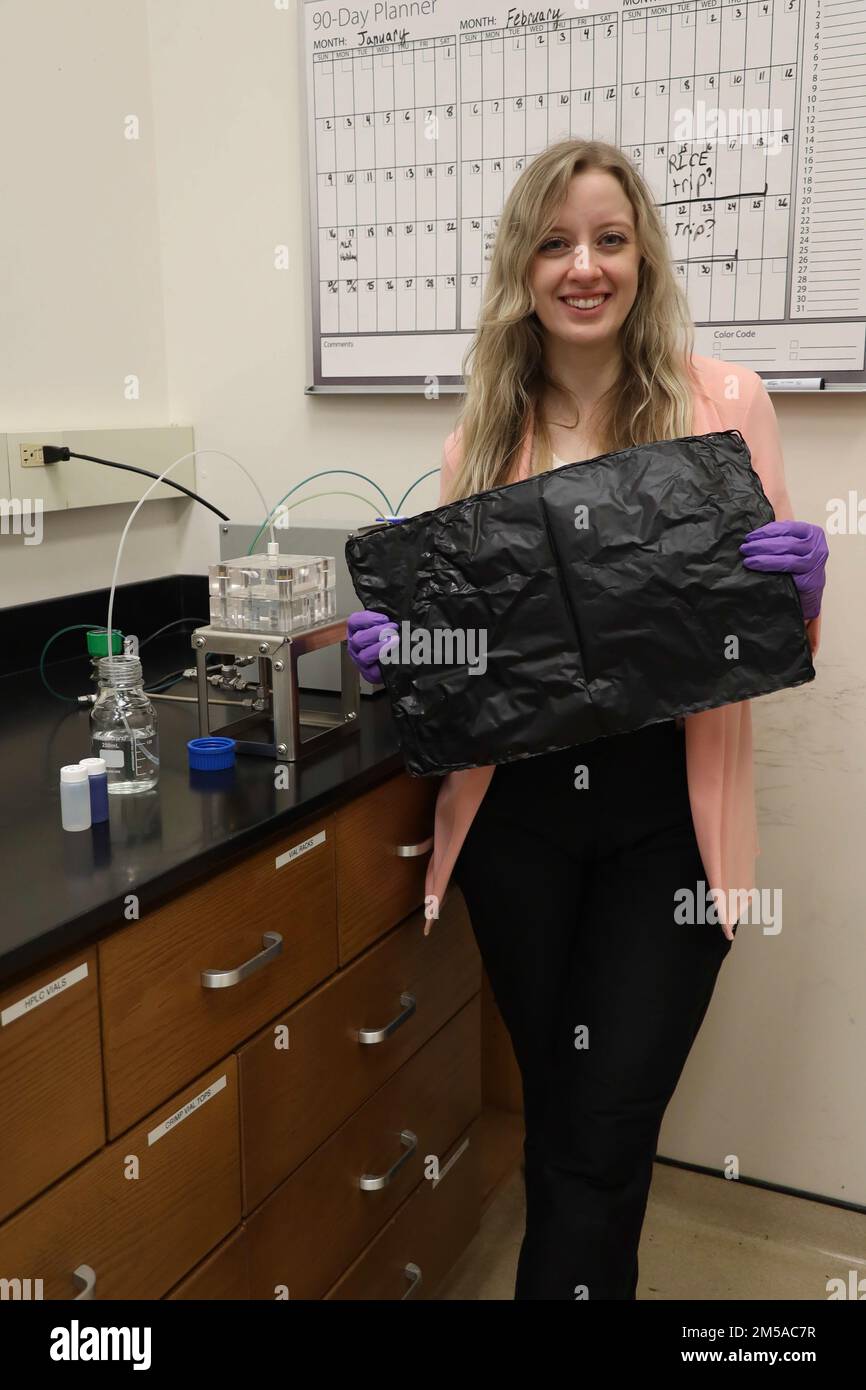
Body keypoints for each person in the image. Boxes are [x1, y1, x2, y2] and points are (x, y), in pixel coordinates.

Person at [346, 139, 828, 1301]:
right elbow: (488, 668)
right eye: (556, 241)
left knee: (599, 1124)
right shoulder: (477, 440)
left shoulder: (723, 405)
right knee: (565, 1118)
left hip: (667, 825)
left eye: (608, 239)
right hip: (517, 830)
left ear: (641, 256)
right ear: (522, 266)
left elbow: (756, 644)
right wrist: (406, 652)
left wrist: (802, 585)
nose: (583, 266)